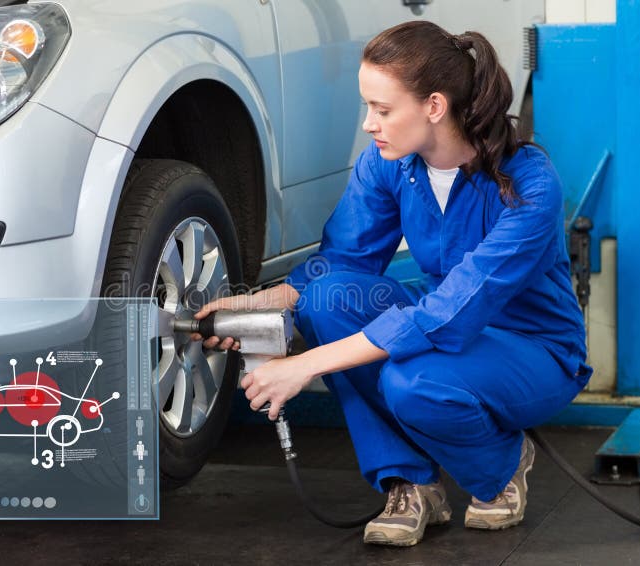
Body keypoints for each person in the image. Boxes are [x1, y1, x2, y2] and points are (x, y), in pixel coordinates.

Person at [191, 20, 592, 547]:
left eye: (382, 110)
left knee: (413, 384)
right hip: (444, 337)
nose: (368, 124)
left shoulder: (528, 184)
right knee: (328, 296)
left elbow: (450, 310)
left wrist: (302, 366)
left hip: (534, 352)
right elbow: (340, 261)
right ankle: (410, 481)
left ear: (433, 106)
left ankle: (501, 465)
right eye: (368, 108)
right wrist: (252, 310)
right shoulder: (390, 166)